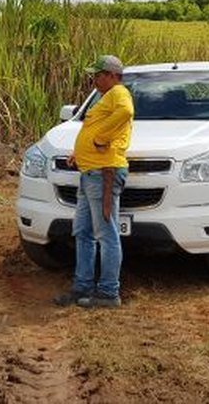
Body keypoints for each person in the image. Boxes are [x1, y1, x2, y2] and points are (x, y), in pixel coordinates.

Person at [53, 55, 134, 309]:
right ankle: (82, 286)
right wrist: (81, 152)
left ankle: (109, 292)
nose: (94, 79)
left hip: (103, 172)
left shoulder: (119, 93)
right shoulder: (104, 96)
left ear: (111, 74)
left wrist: (100, 139)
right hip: (90, 172)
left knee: (106, 234)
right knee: (83, 232)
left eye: (98, 74)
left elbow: (126, 112)